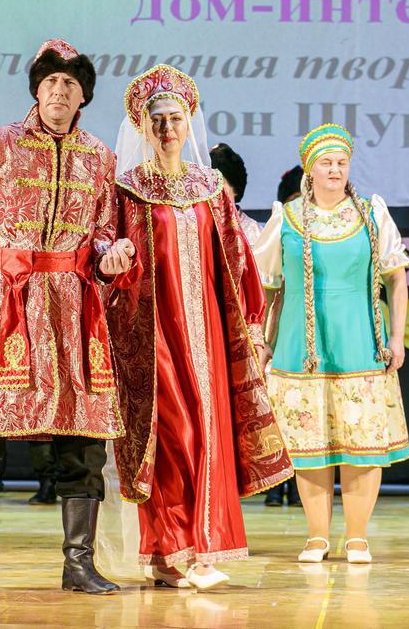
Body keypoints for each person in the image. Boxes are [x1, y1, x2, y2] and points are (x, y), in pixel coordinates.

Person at [0, 38, 140, 595]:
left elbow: (102, 233)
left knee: (82, 439)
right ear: (36, 90)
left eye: (70, 84)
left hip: (74, 309)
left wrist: (111, 255)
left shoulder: (100, 158)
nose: (59, 92)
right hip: (6, 303)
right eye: (51, 82)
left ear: (83, 96)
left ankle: (79, 564)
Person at [107, 64, 293, 590]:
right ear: (142, 127)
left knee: (208, 430)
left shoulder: (210, 187)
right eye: (157, 119)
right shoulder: (129, 189)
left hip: (207, 329)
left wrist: (250, 323)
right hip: (153, 331)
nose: (167, 127)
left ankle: (198, 551)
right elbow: (110, 254)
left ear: (190, 122)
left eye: (176, 118)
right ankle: (171, 548)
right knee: (170, 436)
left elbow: (235, 258)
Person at [254, 124, 409, 564]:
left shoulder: (371, 214)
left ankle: (357, 536)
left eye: (342, 162)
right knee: (311, 445)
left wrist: (396, 337)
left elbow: (396, 278)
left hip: (359, 340)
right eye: (326, 162)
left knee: (361, 444)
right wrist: (262, 340)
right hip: (301, 346)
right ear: (310, 168)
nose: (335, 170)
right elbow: (267, 285)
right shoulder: (287, 217)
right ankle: (317, 536)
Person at [264, 164, 305, 508]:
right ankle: (277, 482)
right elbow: (271, 291)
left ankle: (301, 483)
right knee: (280, 410)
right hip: (284, 328)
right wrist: (265, 338)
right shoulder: (282, 230)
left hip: (310, 330)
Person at [209, 143, 261, 245]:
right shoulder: (197, 228)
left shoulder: (255, 233)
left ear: (235, 187)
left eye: (219, 183)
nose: (212, 190)